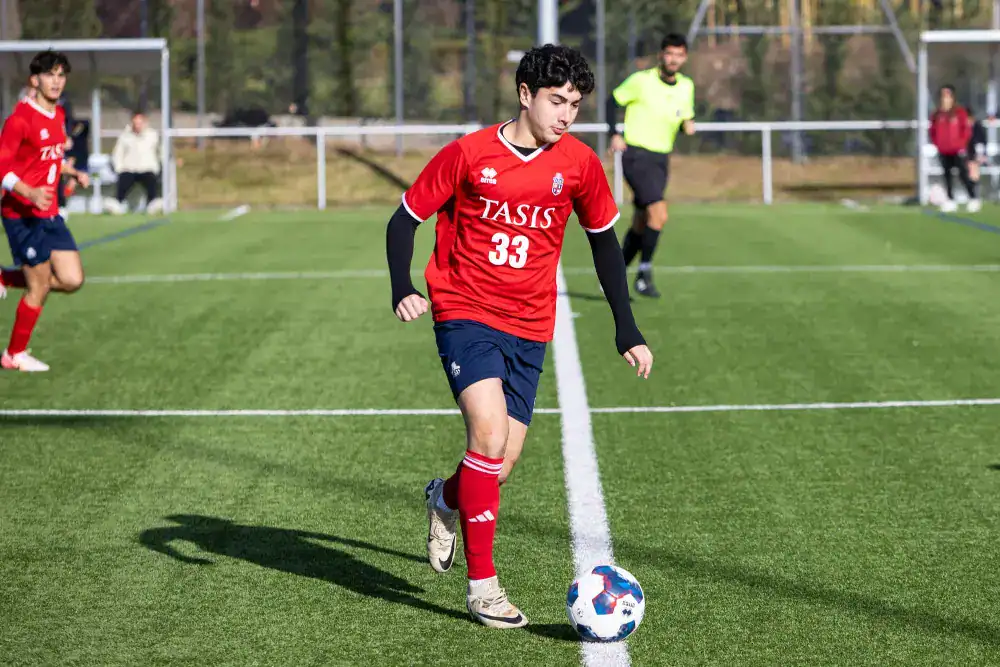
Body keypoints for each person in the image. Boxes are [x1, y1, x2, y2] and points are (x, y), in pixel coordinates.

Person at [385, 44, 653, 629]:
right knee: (487, 435)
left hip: (530, 324)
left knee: (499, 464)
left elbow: (605, 245)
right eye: (557, 101)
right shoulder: (468, 154)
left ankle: (445, 498)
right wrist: (402, 286)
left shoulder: (579, 164)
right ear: (525, 94)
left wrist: (625, 326)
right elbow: (404, 219)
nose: (566, 115)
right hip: (464, 309)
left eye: (575, 105)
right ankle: (483, 589)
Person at [0, 50, 90, 372]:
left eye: (61, 75)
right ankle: (14, 355)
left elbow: (48, 157)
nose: (56, 81)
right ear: (34, 80)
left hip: (49, 213)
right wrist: (29, 192)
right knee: (38, 286)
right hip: (21, 215)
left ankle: (3, 277)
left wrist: (72, 171)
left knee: (72, 279)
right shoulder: (20, 119)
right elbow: (2, 167)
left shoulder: (58, 114)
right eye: (49, 74)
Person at [607, 33, 695, 298]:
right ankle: (643, 276)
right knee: (659, 213)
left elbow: (683, 116)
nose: (673, 59)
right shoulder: (641, 81)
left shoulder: (686, 86)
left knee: (641, 221)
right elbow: (612, 101)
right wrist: (614, 133)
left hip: (660, 159)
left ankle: (614, 273)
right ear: (661, 55)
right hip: (636, 155)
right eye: (669, 53)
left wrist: (687, 125)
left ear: (685, 58)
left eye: (679, 55)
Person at [929, 85, 979, 213]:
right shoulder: (937, 114)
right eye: (943, 96)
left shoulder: (959, 113)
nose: (945, 99)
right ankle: (950, 200)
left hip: (957, 149)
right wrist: (938, 144)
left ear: (952, 98)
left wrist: (961, 144)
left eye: (947, 96)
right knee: (947, 175)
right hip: (943, 150)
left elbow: (966, 130)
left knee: (963, 174)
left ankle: (973, 198)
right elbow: (932, 131)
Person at [109, 110, 162, 214]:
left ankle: (153, 203)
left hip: (147, 169)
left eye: (140, 123)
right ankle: (117, 203)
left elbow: (160, 152)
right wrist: (119, 169)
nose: (137, 126)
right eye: (135, 123)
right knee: (124, 180)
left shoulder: (153, 135)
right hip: (129, 169)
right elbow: (117, 154)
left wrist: (158, 167)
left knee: (151, 181)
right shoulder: (125, 136)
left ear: (145, 123)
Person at [965, 106, 988, 192]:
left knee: (974, 170)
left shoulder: (977, 126)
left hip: (975, 153)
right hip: (968, 153)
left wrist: (982, 154)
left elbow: (982, 141)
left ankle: (973, 191)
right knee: (970, 171)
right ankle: (972, 190)